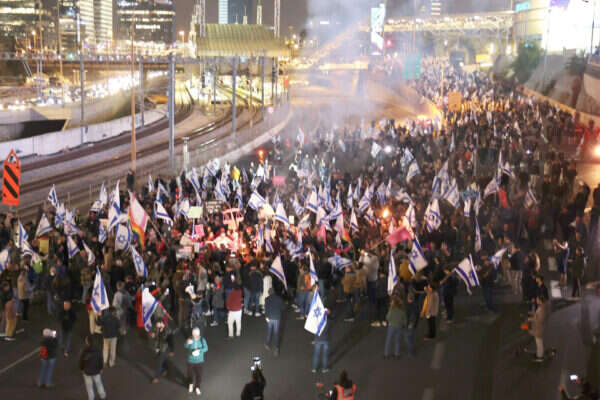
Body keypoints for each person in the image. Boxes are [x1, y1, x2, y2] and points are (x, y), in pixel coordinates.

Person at [79, 334, 106, 400]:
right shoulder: (98, 350)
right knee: (99, 384)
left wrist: (82, 369)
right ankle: (102, 396)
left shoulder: (84, 351)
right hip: (96, 371)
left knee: (89, 387)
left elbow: (81, 361)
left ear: (87, 342)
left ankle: (91, 398)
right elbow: (100, 360)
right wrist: (101, 368)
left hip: (87, 372)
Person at [184, 327, 208, 396]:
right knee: (190, 374)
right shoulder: (190, 339)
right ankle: (190, 384)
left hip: (200, 361)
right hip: (190, 360)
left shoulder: (202, 339)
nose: (195, 336)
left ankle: (197, 387)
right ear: (192, 334)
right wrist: (187, 343)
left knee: (199, 375)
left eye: (196, 334)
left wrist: (199, 350)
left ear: (199, 334)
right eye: (194, 334)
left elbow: (206, 348)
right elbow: (185, 346)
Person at [529, 294, 550, 362]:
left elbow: (539, 320)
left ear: (540, 301)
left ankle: (539, 357)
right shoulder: (542, 307)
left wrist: (531, 319)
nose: (536, 300)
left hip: (539, 329)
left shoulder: (542, 309)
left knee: (539, 343)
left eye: (537, 299)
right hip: (539, 328)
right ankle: (540, 354)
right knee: (539, 342)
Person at [264, 288, 284, 356]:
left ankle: (267, 344)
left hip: (269, 318)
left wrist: (266, 316)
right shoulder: (279, 299)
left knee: (269, 331)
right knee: (276, 333)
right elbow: (283, 308)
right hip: (277, 318)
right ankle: (276, 348)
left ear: (269, 293)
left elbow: (266, 309)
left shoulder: (267, 299)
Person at [312, 308, 331, 373]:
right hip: (326, 339)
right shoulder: (328, 321)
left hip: (317, 339)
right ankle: (324, 369)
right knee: (325, 355)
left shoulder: (317, 321)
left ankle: (314, 368)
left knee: (316, 355)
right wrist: (328, 313)